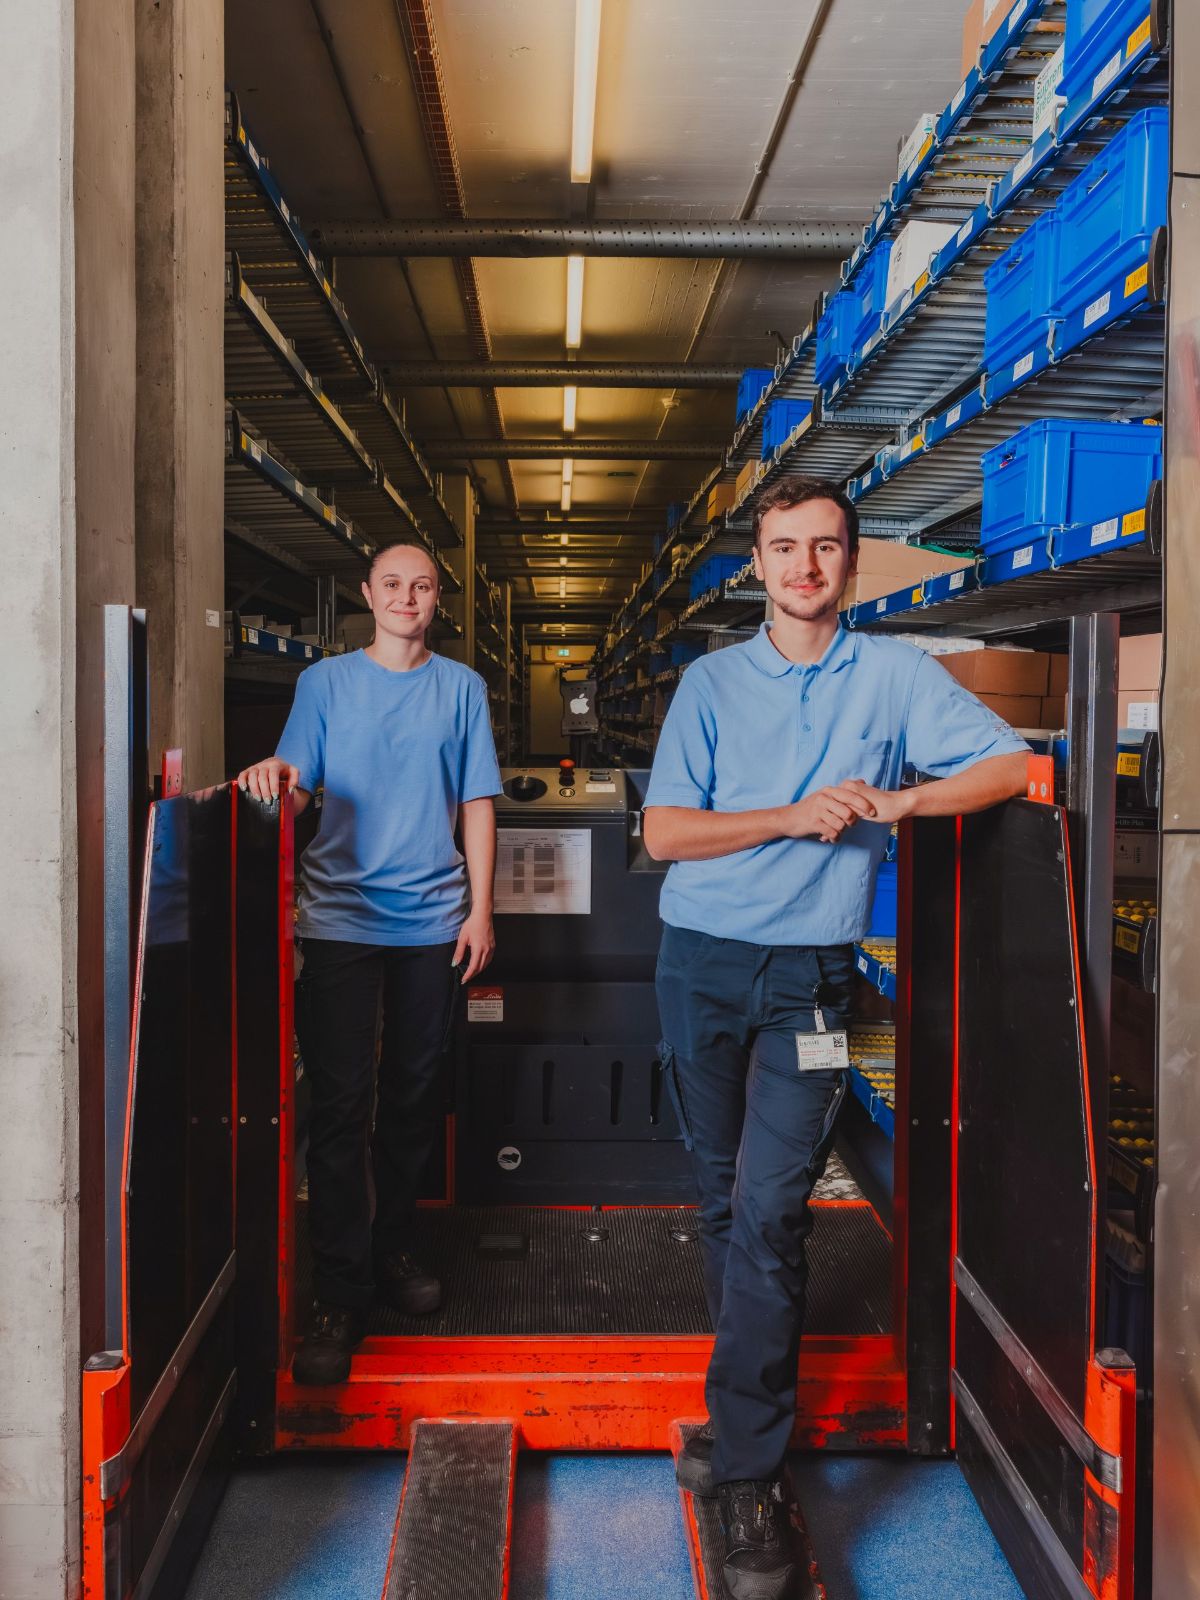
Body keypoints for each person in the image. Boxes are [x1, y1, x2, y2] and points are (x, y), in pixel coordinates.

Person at [642, 476, 1028, 1600]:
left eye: (824, 548)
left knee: (771, 1208)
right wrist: (791, 811)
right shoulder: (711, 682)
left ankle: (750, 1472)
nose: (803, 566)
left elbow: (1009, 766)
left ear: (850, 566)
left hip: (810, 985)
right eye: (783, 547)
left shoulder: (895, 674)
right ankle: (739, 1418)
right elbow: (665, 831)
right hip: (700, 970)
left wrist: (905, 804)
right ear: (755, 563)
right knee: (722, 1201)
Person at [237, 540, 501, 1385]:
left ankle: (397, 1252)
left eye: (422, 586)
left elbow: (477, 802)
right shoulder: (325, 685)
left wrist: (482, 908)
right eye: (393, 584)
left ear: (435, 602)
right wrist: (279, 777)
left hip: (431, 920)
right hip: (343, 918)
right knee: (343, 1104)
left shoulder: (461, 688)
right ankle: (339, 1290)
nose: (407, 597)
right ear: (367, 593)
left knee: (415, 1095)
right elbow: (304, 785)